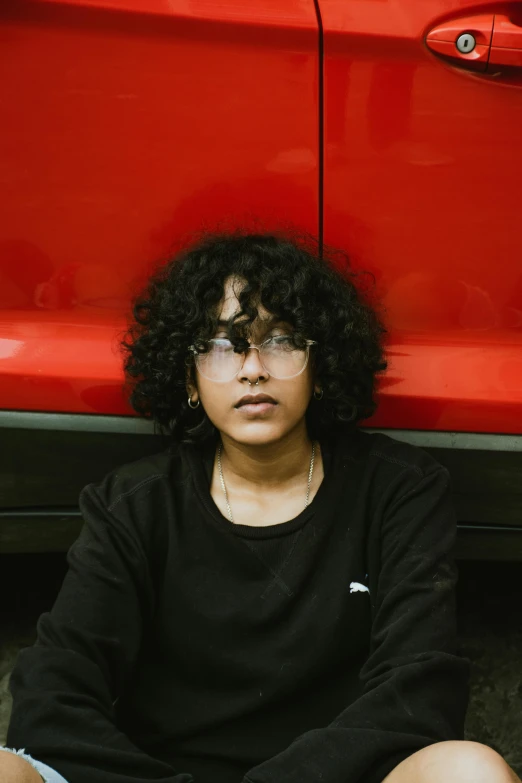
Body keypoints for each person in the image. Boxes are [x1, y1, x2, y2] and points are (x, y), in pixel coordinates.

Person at [2, 232, 520, 783]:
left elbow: (421, 688)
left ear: (320, 368)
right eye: (222, 345)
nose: (252, 368)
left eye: (281, 341)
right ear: (190, 380)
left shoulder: (400, 489)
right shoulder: (133, 503)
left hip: (336, 778)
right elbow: (53, 694)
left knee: (471, 770)